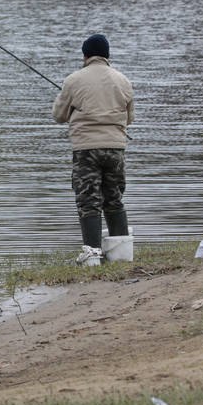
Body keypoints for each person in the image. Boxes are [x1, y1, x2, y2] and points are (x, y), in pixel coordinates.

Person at [52, 33, 134, 251]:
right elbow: (130, 118)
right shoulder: (123, 80)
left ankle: (92, 254)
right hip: (116, 149)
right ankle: (122, 252)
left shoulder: (73, 80)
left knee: (89, 202)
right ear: (107, 55)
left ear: (85, 55)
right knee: (114, 199)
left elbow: (59, 116)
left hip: (86, 150)